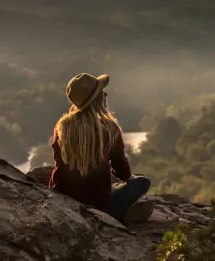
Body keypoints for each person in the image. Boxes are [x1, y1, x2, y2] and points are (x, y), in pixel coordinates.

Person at [49, 73, 154, 224]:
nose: (106, 94)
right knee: (142, 182)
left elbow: (58, 160)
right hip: (99, 206)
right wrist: (129, 179)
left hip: (62, 199)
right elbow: (121, 169)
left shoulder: (62, 127)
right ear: (96, 99)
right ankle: (118, 215)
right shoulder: (109, 128)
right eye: (101, 92)